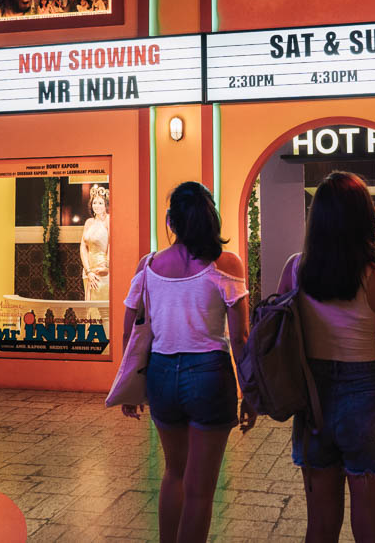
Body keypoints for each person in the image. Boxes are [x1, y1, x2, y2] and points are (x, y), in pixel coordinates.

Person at [276, 171, 375, 543]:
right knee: (372, 533)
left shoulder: (296, 269)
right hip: (367, 404)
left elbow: (279, 332)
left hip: (314, 406)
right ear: (365, 218)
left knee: (321, 527)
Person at [121, 182, 257, 542]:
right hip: (208, 376)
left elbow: (130, 331)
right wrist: (250, 391)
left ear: (171, 221)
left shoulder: (149, 264)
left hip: (162, 374)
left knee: (174, 474)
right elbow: (240, 338)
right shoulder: (226, 264)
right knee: (200, 490)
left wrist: (129, 385)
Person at [80, 185, 111, 305]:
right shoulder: (89, 222)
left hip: (102, 269)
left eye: (100, 203)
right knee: (89, 307)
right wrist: (88, 271)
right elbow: (83, 247)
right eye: (94, 203)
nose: (96, 206)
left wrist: (107, 267)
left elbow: (111, 244)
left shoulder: (109, 220)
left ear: (106, 205)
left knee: (101, 306)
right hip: (89, 270)